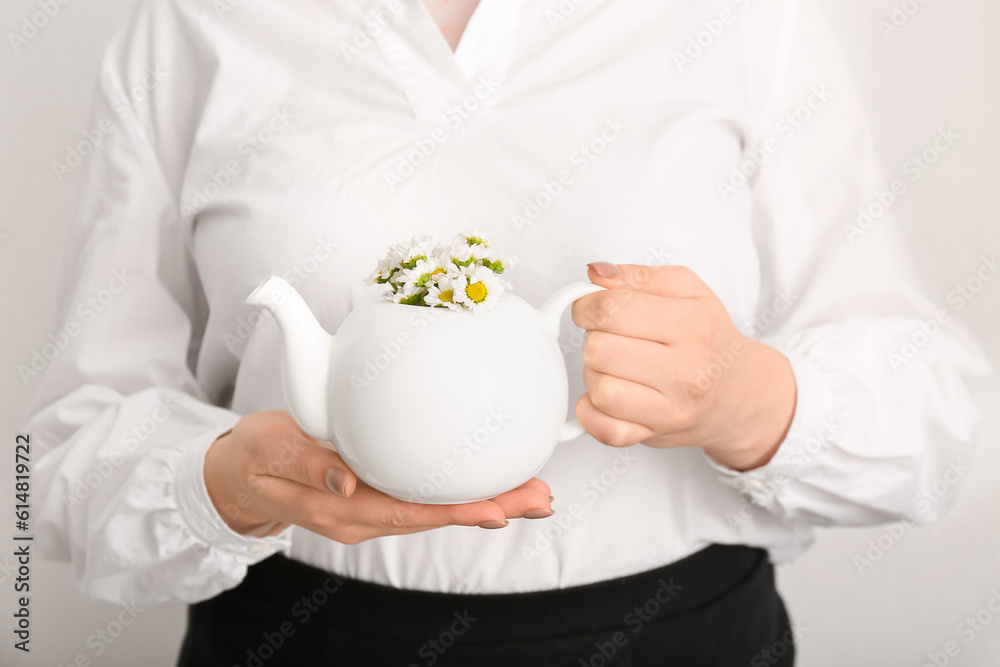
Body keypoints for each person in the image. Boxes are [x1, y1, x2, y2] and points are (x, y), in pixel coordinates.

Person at [24, 0, 989, 664]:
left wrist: (751, 400)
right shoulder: (195, 25)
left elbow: (935, 422)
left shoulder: (741, 17)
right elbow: (56, 467)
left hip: (677, 639)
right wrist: (219, 485)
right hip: (297, 637)